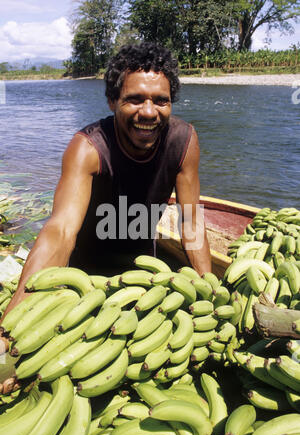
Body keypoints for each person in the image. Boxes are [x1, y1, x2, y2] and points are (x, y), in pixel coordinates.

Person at [1, 42, 211, 322]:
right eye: (135, 99)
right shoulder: (87, 148)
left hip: (144, 272)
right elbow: (60, 230)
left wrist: (209, 291)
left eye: (161, 100)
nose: (149, 112)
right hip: (83, 275)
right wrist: (13, 319)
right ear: (112, 101)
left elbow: (191, 221)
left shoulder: (183, 141)